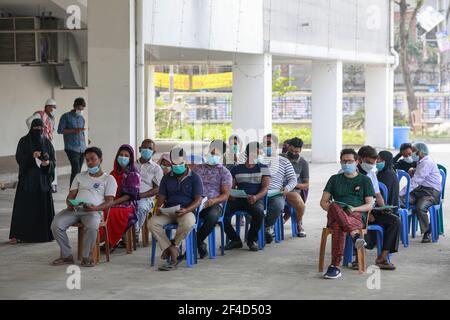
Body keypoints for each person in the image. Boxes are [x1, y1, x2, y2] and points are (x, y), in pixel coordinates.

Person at [51, 147, 117, 267]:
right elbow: (71, 195)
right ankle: (67, 256)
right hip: (76, 209)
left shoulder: (108, 179)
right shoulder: (79, 176)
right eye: (87, 160)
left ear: (100, 160)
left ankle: (86, 256)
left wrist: (95, 208)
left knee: (92, 226)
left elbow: (109, 202)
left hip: (93, 211)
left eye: (93, 159)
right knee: (56, 224)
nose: (90, 162)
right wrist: (69, 203)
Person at [319, 149, 375, 279]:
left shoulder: (365, 180)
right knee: (334, 205)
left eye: (350, 161)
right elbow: (323, 202)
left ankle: (335, 267)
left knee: (339, 226)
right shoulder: (334, 179)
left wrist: (354, 209)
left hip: (356, 215)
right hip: (337, 214)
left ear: (357, 162)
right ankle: (354, 235)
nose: (346, 164)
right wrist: (335, 210)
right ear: (340, 162)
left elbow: (369, 205)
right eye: (344, 161)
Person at [149, 147, 203, 271]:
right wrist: (158, 207)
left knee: (188, 223)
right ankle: (171, 249)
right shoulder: (166, 178)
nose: (177, 166)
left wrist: (187, 210)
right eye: (174, 164)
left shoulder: (195, 178)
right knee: (152, 223)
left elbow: (198, 200)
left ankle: (173, 246)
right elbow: (162, 197)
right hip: (168, 211)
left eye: (180, 163)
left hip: (186, 211)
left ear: (185, 161)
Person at [9, 119, 56, 244]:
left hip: (42, 182)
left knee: (42, 209)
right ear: (31, 129)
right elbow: (19, 158)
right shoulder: (24, 141)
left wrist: (48, 164)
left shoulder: (47, 142)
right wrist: (31, 156)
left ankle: (45, 235)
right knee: (24, 209)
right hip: (27, 181)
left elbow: (53, 161)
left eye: (41, 128)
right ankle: (19, 235)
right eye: (36, 129)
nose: (38, 131)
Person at [357, 146, 400, 270]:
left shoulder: (371, 174)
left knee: (394, 220)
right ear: (360, 160)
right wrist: (367, 212)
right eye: (369, 163)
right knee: (358, 223)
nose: (371, 166)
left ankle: (382, 257)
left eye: (373, 163)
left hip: (372, 208)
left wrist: (384, 207)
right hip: (358, 210)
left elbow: (378, 195)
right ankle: (356, 257)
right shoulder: (352, 174)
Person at [224, 142, 271, 252]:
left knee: (259, 213)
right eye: (257, 154)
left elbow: (265, 188)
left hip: (255, 199)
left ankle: (251, 240)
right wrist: (231, 194)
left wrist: (256, 197)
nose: (259, 156)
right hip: (239, 199)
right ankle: (235, 240)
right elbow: (231, 186)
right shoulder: (236, 169)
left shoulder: (263, 168)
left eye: (260, 154)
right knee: (221, 213)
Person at [193, 140, 232, 258]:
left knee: (212, 216)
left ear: (222, 156)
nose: (212, 155)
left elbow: (225, 195)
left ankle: (195, 242)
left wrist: (213, 201)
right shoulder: (197, 169)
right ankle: (198, 244)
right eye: (211, 152)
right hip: (196, 202)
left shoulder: (224, 172)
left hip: (213, 203)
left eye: (216, 154)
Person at [400, 142, 442, 243]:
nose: (412, 153)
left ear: (420, 152)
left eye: (414, 151)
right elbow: (419, 175)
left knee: (420, 207)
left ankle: (427, 232)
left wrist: (401, 192)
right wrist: (413, 169)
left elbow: (415, 181)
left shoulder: (426, 162)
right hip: (420, 190)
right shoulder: (421, 161)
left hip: (431, 192)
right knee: (400, 200)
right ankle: (400, 230)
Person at [102, 144, 141, 250]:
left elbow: (130, 196)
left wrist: (113, 203)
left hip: (128, 204)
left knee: (112, 213)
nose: (123, 157)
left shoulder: (133, 174)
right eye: (121, 155)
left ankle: (111, 242)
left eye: (126, 155)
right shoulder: (112, 173)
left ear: (130, 158)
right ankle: (103, 240)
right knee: (100, 211)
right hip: (112, 202)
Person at [261, 134, 297, 243]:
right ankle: (261, 230)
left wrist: (286, 188)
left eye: (268, 144)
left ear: (276, 145)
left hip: (275, 193)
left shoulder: (284, 161)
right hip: (259, 193)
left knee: (278, 205)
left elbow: (293, 179)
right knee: (251, 207)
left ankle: (265, 227)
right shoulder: (258, 161)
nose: (265, 147)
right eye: (264, 144)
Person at [26, 98, 58, 192]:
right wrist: (36, 134)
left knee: (51, 163)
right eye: (53, 107)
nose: (54, 110)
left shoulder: (51, 118)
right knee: (42, 162)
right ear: (47, 107)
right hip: (41, 142)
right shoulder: (40, 114)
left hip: (49, 142)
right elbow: (28, 121)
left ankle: (52, 184)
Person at [135, 139, 164, 244]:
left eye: (150, 148)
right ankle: (124, 236)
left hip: (146, 199)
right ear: (139, 149)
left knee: (140, 207)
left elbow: (158, 188)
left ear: (154, 152)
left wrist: (141, 195)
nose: (146, 150)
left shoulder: (156, 168)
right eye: (144, 147)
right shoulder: (132, 165)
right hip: (131, 197)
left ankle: (135, 234)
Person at [280, 137, 309, 237]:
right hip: (278, 190)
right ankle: (273, 225)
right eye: (291, 150)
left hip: (293, 191)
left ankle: (299, 224)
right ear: (288, 147)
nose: (293, 153)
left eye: (296, 151)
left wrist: (293, 184)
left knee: (300, 205)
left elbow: (306, 184)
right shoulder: (280, 158)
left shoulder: (303, 163)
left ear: (301, 150)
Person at [57, 97, 87, 186]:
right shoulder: (66, 116)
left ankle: (76, 191)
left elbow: (81, 133)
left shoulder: (82, 118)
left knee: (79, 171)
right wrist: (74, 130)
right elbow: (60, 130)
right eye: (79, 108)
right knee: (76, 169)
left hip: (82, 148)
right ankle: (72, 193)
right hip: (71, 147)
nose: (81, 110)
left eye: (82, 109)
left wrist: (86, 141)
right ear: (74, 106)